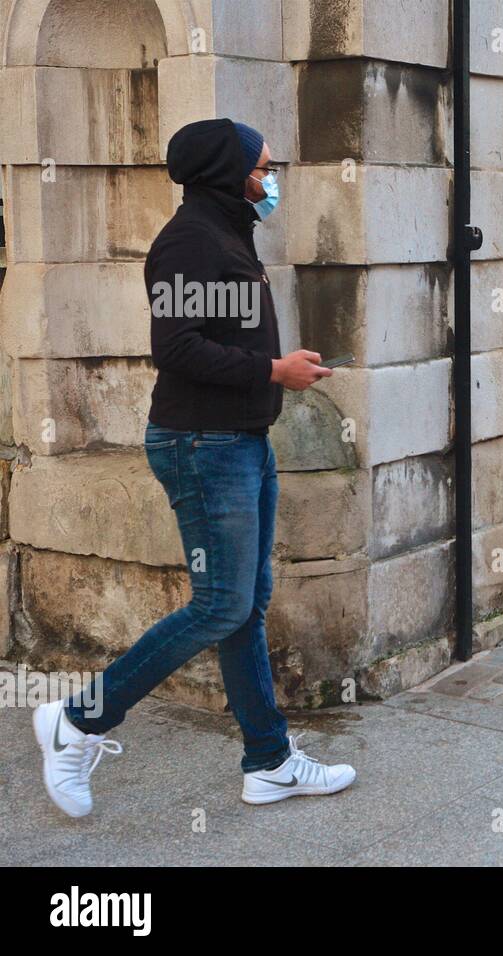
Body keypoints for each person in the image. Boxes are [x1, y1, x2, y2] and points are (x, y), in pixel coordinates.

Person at [33, 119, 357, 819]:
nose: (270, 180)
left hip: (241, 440)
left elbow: (216, 335)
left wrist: (270, 372)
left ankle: (268, 763)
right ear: (226, 172)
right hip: (201, 445)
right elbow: (175, 347)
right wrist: (272, 368)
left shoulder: (228, 233)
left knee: (244, 607)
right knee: (220, 606)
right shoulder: (188, 240)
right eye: (263, 168)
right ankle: (79, 719)